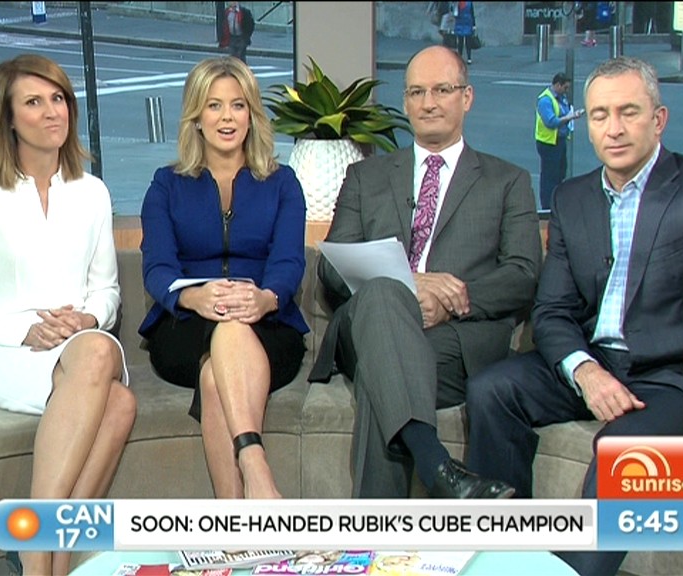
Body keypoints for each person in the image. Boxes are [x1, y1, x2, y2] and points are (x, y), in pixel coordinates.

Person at [464, 56, 683, 576]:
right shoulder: (572, 198)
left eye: (628, 112)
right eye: (599, 115)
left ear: (658, 119)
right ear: (587, 125)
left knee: (623, 447)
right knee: (492, 390)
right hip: (600, 362)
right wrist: (586, 372)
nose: (613, 128)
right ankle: (504, 560)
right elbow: (553, 309)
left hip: (678, 378)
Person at [0, 54, 135, 576]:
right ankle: (42, 560)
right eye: (34, 102)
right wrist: (23, 330)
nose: (51, 112)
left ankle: (46, 559)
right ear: (8, 119)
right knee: (110, 387)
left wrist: (86, 320)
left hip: (77, 346)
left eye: (58, 98)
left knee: (119, 399)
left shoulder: (92, 192)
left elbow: (106, 292)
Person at [307, 45, 543, 499]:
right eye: (416, 92)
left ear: (467, 97)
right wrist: (408, 284)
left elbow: (523, 273)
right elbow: (333, 266)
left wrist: (452, 299)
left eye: (441, 90)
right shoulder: (366, 176)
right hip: (367, 325)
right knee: (383, 297)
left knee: (384, 374)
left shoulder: (507, 181)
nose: (428, 102)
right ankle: (438, 468)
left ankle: (378, 536)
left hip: (454, 340)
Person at [139, 56, 308, 500]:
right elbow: (157, 266)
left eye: (237, 105)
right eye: (214, 106)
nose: (227, 117)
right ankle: (256, 469)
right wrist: (194, 296)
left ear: (251, 115)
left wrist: (266, 298)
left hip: (269, 324)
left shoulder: (283, 183)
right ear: (196, 117)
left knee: (217, 374)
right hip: (185, 326)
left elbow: (289, 261)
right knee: (225, 332)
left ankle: (233, 518)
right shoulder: (166, 185)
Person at [535, 73, 584, 211]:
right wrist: (570, 117)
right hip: (548, 143)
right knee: (549, 177)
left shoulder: (561, 98)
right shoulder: (545, 101)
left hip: (559, 140)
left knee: (560, 173)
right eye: (565, 88)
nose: (566, 91)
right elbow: (551, 122)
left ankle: (556, 202)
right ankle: (547, 206)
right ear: (558, 85)